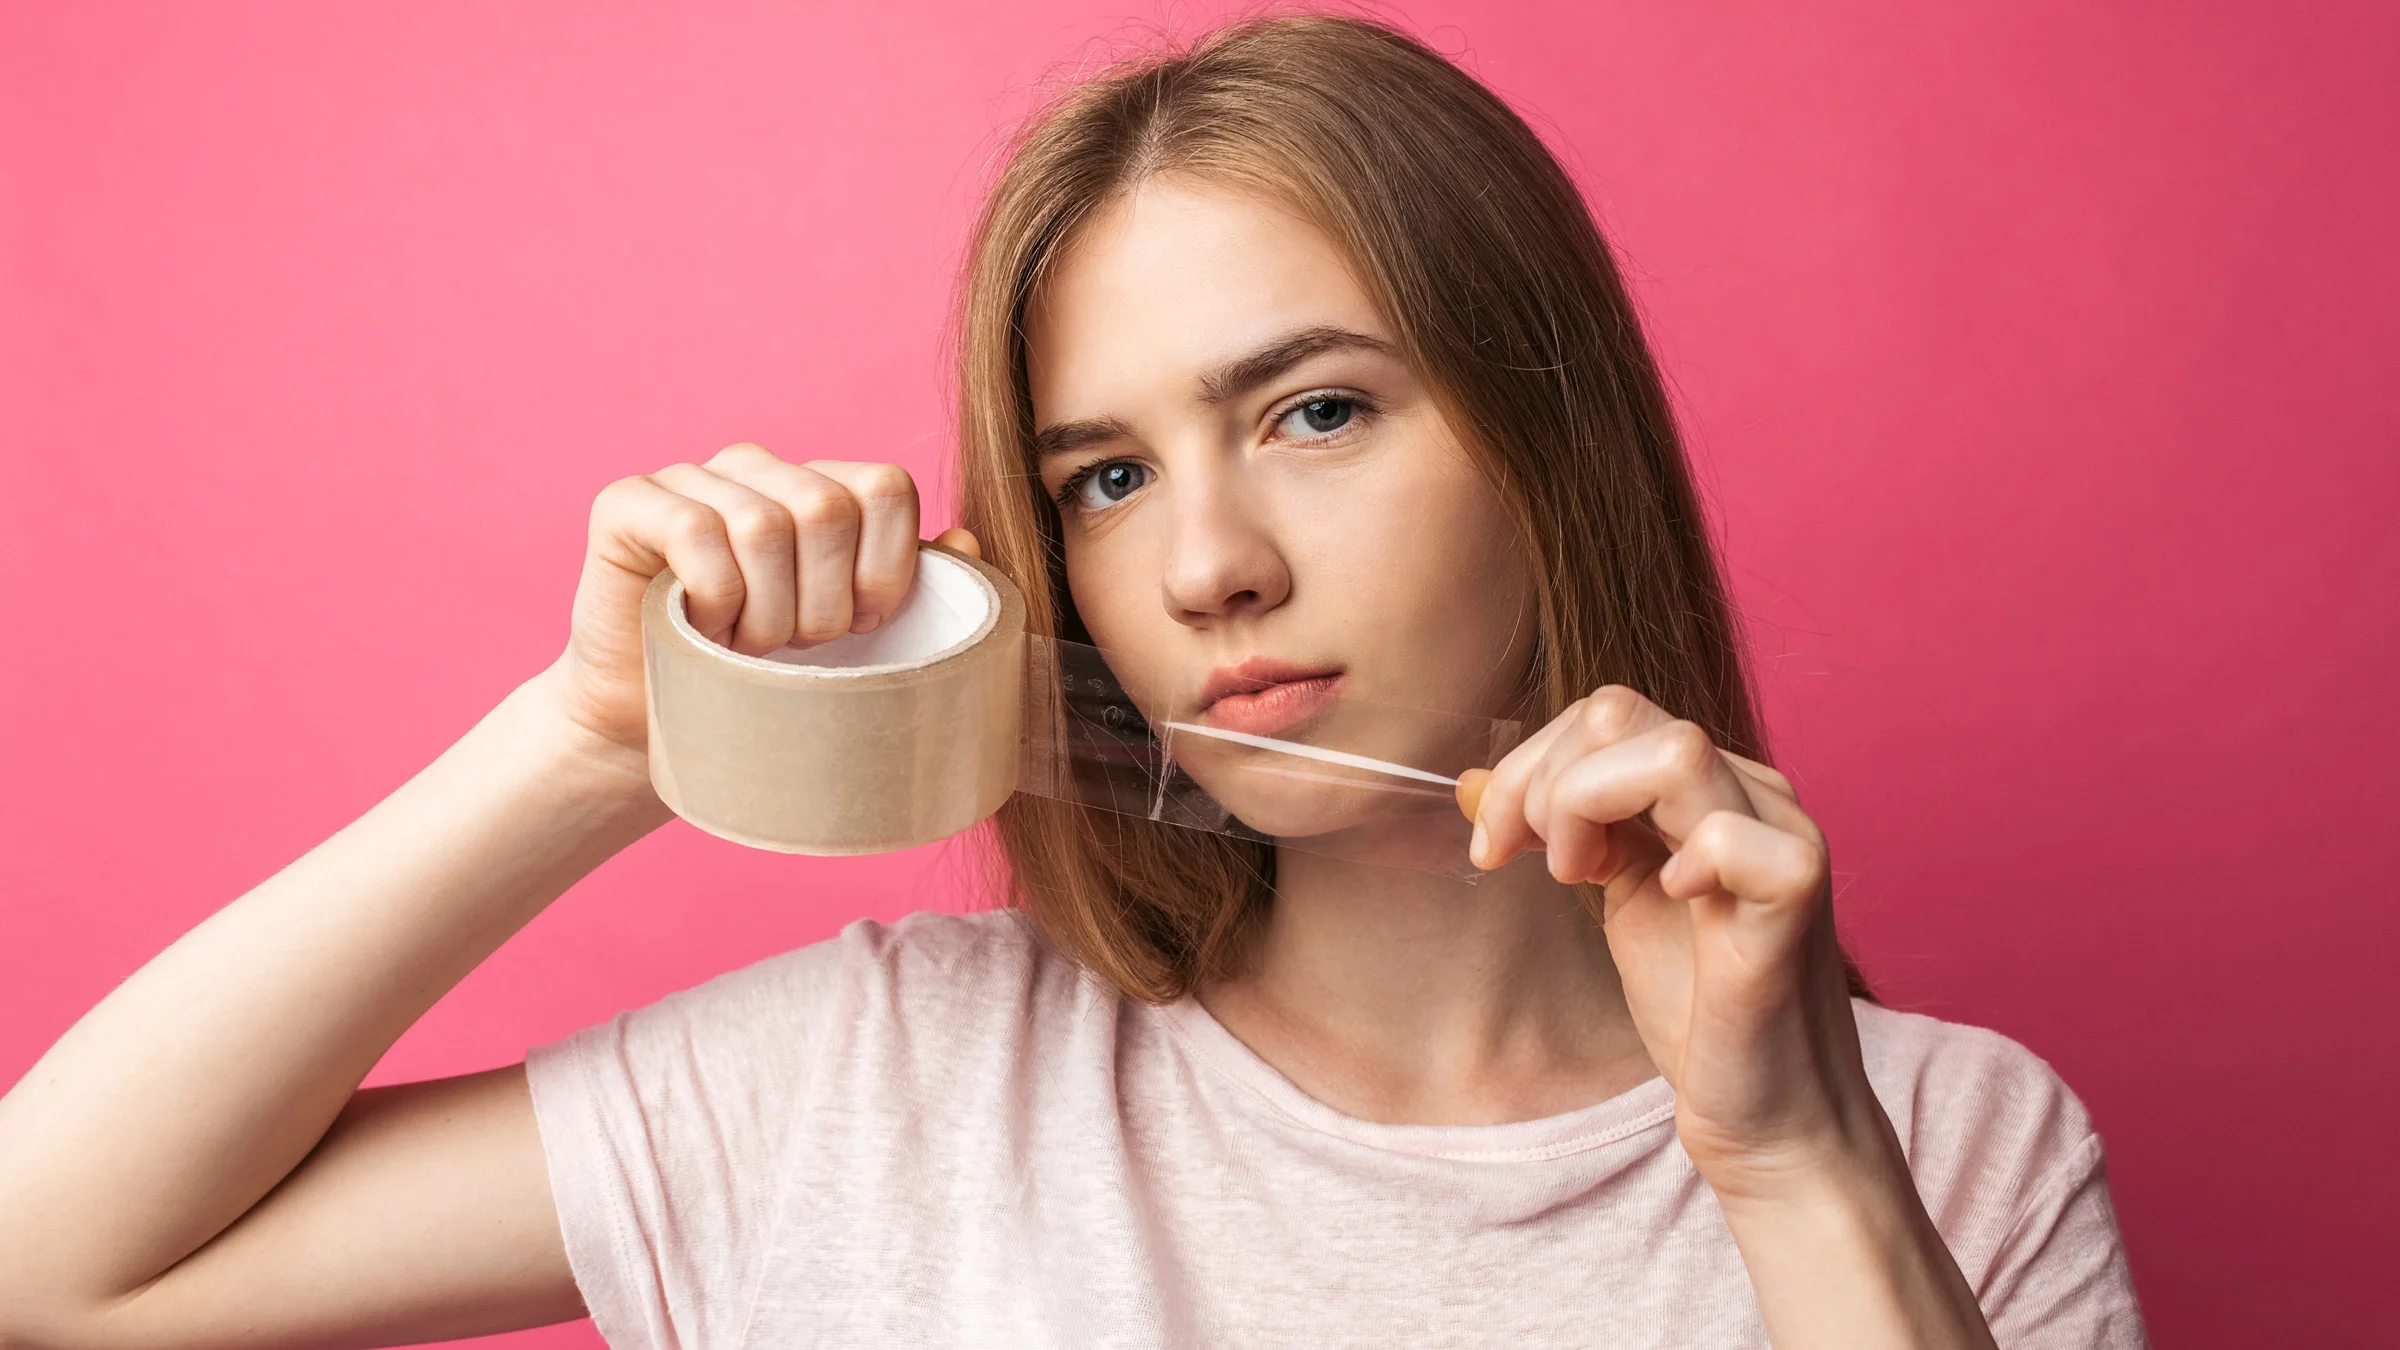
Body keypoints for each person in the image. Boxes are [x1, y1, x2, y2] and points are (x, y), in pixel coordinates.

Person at [0, 14, 2148, 1349]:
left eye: (1317, 413)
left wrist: (1785, 1166)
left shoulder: (1945, 1151)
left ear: (1544, 442)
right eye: (1104, 477)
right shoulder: (880, 1078)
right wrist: (591, 744)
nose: (1207, 562)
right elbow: (47, 1271)